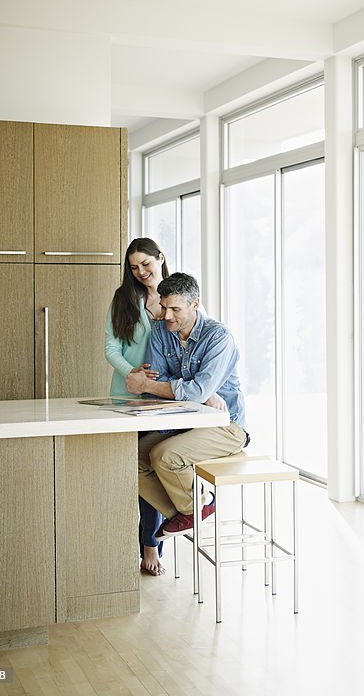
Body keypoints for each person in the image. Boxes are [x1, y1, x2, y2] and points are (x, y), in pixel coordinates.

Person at [126, 272, 248, 540]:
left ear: (195, 304)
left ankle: (193, 508)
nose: (167, 315)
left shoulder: (219, 337)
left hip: (226, 426)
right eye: (164, 306)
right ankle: (192, 510)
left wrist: (158, 386)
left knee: (164, 456)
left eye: (175, 309)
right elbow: (165, 381)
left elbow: (192, 390)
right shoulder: (160, 331)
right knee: (129, 458)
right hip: (183, 423)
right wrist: (192, 391)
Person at [104, 238, 172, 576]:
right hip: (126, 398)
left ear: (160, 258)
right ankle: (126, 539)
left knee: (150, 472)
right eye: (134, 267)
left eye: (145, 264)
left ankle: (150, 544)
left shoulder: (174, 296)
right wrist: (130, 372)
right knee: (130, 473)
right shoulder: (124, 298)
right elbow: (110, 347)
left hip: (161, 401)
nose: (141, 272)